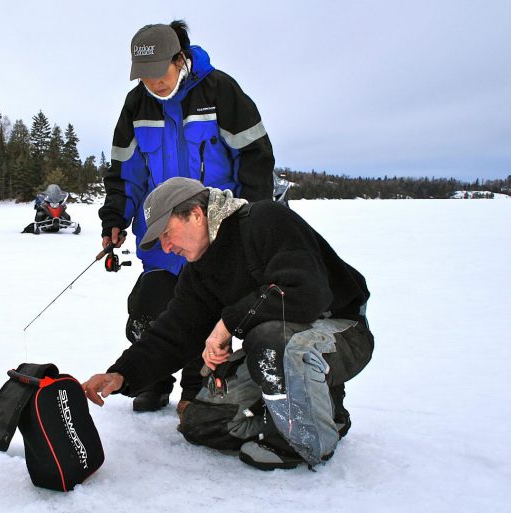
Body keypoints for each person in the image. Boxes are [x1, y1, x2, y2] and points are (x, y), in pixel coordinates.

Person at [84, 177, 374, 470]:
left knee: (271, 340)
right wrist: (121, 374)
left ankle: (312, 438)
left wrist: (227, 323)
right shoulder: (200, 271)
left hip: (339, 333)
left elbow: (306, 293)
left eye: (167, 234)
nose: (166, 248)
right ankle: (299, 414)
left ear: (196, 214)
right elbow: (174, 334)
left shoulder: (266, 220)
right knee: (200, 423)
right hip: (272, 346)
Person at [99, 20, 276, 413]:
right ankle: (153, 380)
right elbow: (126, 173)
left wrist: (249, 222)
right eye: (144, 76)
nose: (153, 83)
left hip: (213, 233)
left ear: (179, 59)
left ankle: (198, 387)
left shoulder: (220, 91)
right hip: (163, 237)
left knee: (207, 308)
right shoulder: (136, 105)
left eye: (159, 74)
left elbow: (255, 161)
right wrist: (115, 217)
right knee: (149, 304)